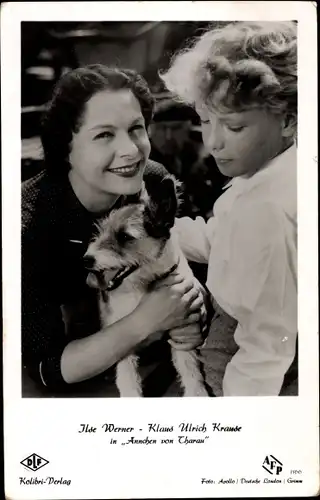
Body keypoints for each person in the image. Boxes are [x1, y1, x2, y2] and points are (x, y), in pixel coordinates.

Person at [22, 64, 205, 396]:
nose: (132, 150)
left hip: (147, 351)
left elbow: (176, 250)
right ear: (66, 147)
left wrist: (193, 300)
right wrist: (146, 321)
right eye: (104, 134)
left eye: (136, 128)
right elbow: (45, 369)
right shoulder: (24, 223)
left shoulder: (153, 180)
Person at [161, 21, 298, 396]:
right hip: (234, 339)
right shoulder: (263, 177)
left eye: (234, 128)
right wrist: (161, 231)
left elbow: (267, 345)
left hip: (245, 364)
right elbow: (223, 239)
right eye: (205, 121)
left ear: (288, 120)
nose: (214, 142)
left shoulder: (268, 208)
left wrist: (238, 425)